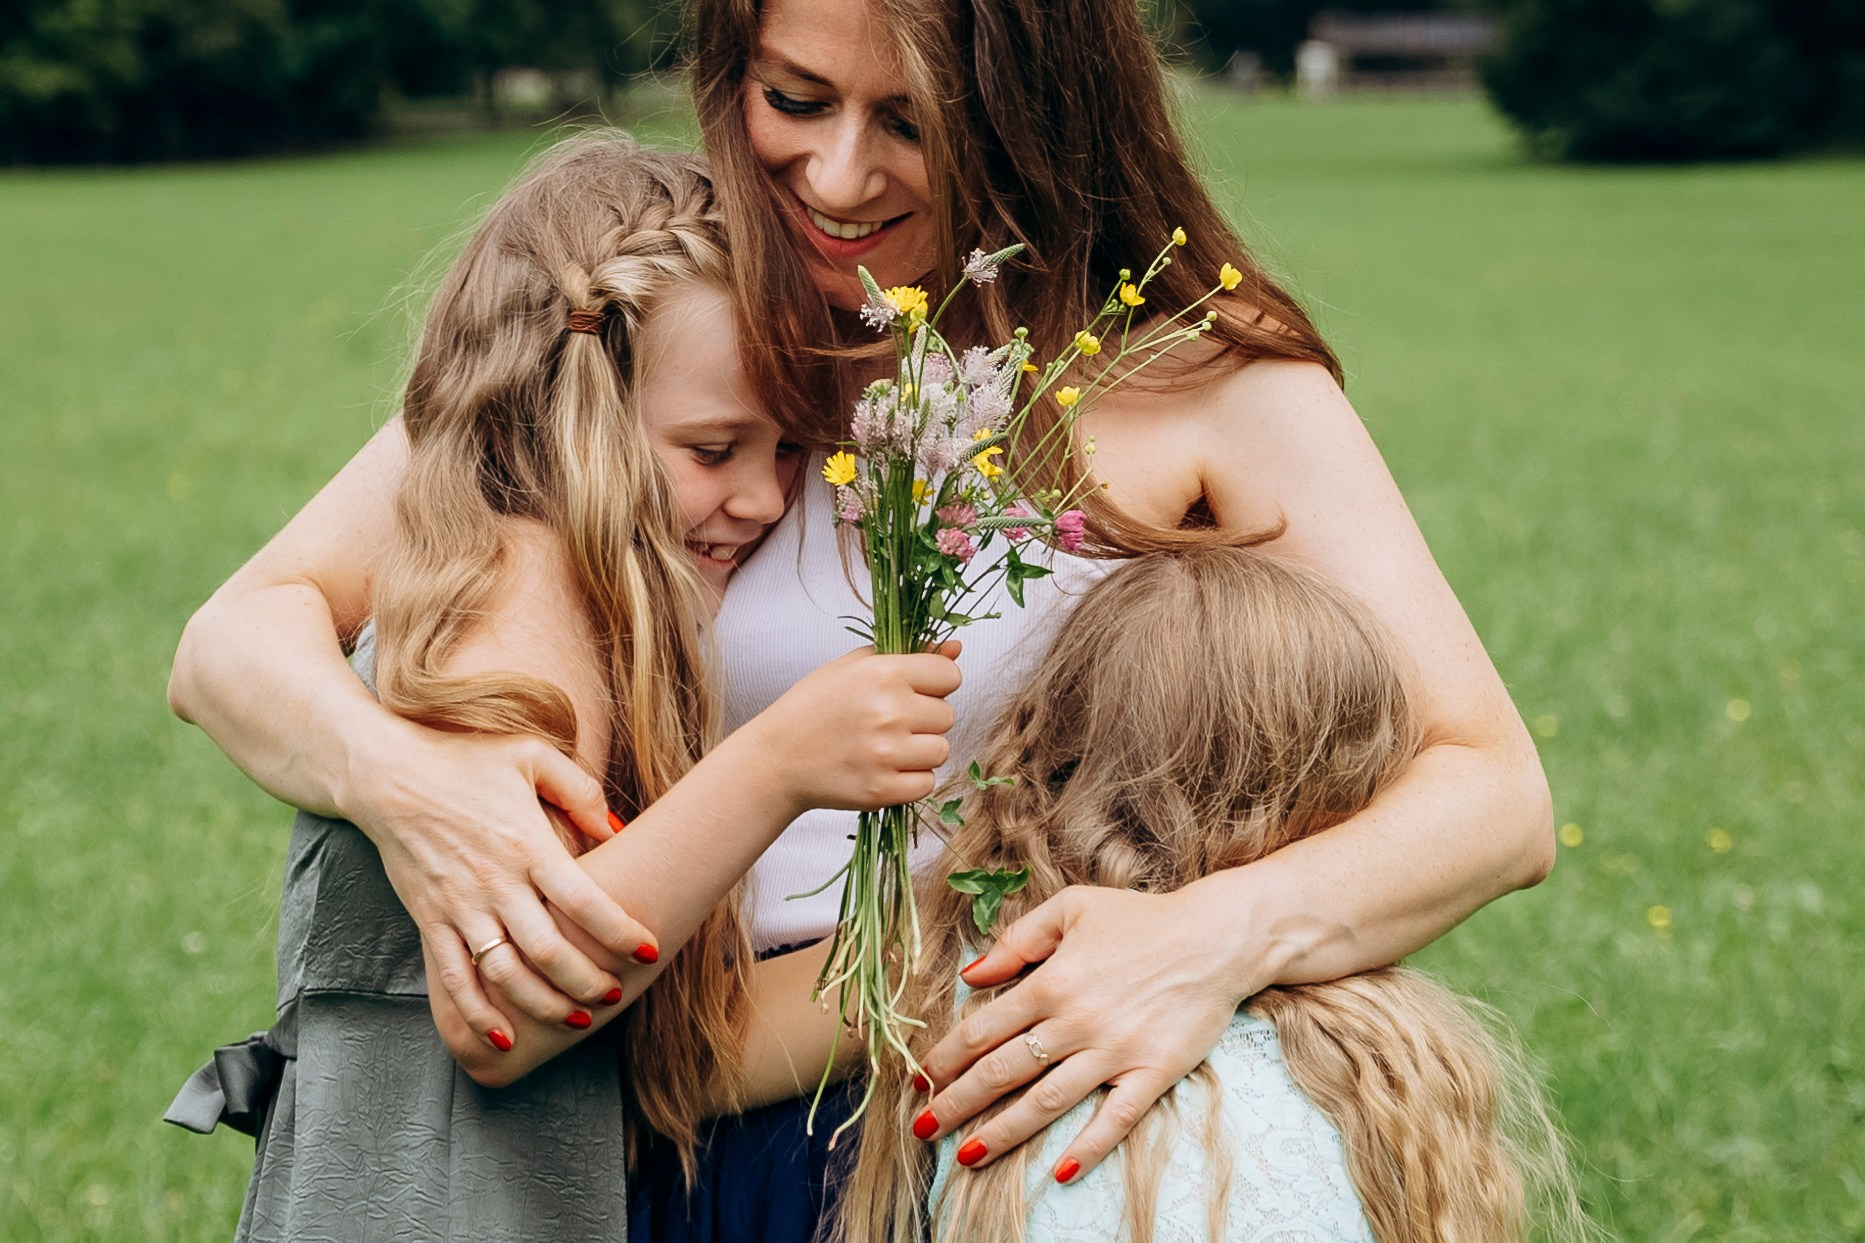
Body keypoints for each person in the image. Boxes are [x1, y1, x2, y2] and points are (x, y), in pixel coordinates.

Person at [168, 0, 1555, 1218]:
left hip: (960, 1098)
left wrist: (1215, 934)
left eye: (909, 119)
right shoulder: (671, 316)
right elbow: (239, 632)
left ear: (1034, 113)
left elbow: (1493, 794)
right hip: (622, 1106)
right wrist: (409, 787)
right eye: (793, 99)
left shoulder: (1203, 380)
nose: (834, 176)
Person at [164, 134, 963, 1241]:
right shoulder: (520, 601)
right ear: (579, 412)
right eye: (714, 446)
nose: (761, 498)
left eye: (787, 452)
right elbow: (502, 1016)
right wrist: (779, 762)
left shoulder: (537, 571)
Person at [809, 547, 1592, 1242]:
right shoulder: (1390, 1056)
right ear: (1350, 787)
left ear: (1052, 749)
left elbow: (704, 1057)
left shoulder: (960, 988)